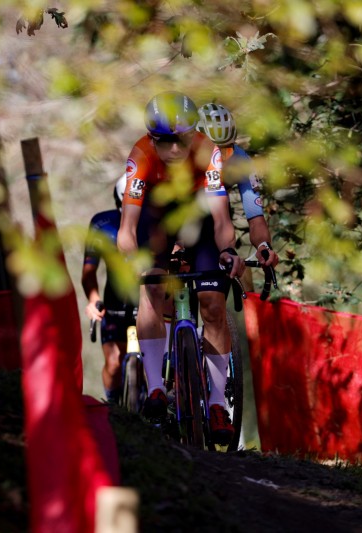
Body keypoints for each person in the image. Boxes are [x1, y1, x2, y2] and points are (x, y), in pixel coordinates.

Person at [117, 91, 245, 445]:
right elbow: (128, 226)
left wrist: (229, 251)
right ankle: (157, 387)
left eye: (183, 140)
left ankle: (218, 403)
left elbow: (221, 217)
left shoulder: (209, 152)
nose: (175, 150)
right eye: (166, 142)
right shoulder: (141, 154)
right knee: (152, 287)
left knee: (213, 302)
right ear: (152, 138)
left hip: (198, 217)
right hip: (156, 219)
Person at [196, 102, 279, 269]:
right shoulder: (181, 158)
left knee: (212, 293)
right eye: (213, 150)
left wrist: (264, 246)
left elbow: (255, 217)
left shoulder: (240, 161)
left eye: (226, 150)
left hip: (213, 219)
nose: (220, 158)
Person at [82, 174, 135, 404]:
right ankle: (113, 408)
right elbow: (88, 272)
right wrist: (93, 299)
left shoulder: (154, 222)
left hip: (150, 302)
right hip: (115, 304)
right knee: (114, 363)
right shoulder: (101, 224)